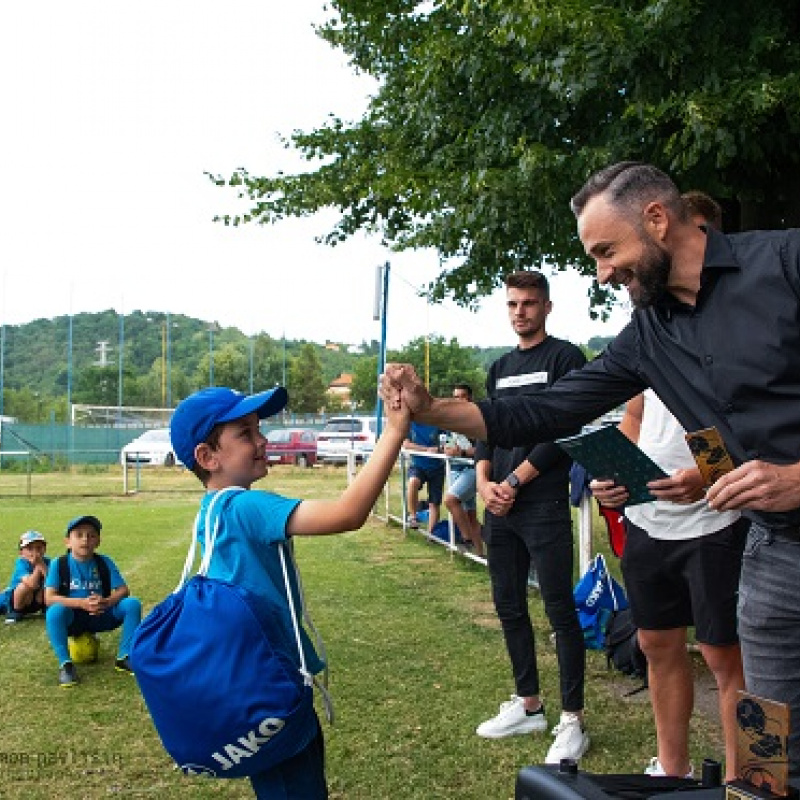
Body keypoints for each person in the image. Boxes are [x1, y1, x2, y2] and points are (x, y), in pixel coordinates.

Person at [380, 161, 800, 774]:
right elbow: (547, 410)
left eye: (607, 251)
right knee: (771, 743)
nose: (602, 273)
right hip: (775, 553)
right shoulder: (648, 336)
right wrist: (434, 408)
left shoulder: (785, 265)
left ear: (657, 219)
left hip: (749, 531)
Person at [168, 384, 409, 800]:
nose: (262, 440)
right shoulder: (245, 507)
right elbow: (348, 514)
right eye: (245, 433)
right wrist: (395, 430)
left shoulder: (212, 511)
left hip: (257, 689)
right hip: (274, 692)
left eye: (258, 429)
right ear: (209, 458)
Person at [591, 390, 746, 780]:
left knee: (725, 654)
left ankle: (741, 780)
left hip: (719, 516)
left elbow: (751, 427)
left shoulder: (727, 338)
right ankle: (672, 770)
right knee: (656, 645)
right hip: (648, 518)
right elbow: (635, 416)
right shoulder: (648, 339)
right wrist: (613, 471)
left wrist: (710, 474)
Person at [470, 270, 590, 764]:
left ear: (546, 307)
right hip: (498, 505)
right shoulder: (497, 368)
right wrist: (483, 483)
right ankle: (529, 705)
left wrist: (516, 480)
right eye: (513, 304)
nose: (520, 312)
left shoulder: (565, 358)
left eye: (529, 304)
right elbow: (486, 431)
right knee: (509, 607)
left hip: (540, 505)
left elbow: (565, 430)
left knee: (560, 611)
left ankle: (572, 720)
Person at [44, 515, 142, 687]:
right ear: (68, 541)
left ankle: (124, 657)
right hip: (73, 618)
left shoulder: (104, 562)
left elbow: (123, 590)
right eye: (79, 535)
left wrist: (107, 601)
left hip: (101, 614)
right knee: (54, 612)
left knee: (132, 604)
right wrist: (81, 603)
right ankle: (66, 665)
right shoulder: (58, 564)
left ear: (98, 541)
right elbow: (49, 597)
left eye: (91, 535)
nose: (85, 540)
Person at [442, 384, 483, 556]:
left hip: (473, 470)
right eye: (455, 396)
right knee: (470, 516)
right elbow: (449, 444)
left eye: (462, 396)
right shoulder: (451, 421)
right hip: (456, 469)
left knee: (451, 500)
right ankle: (481, 554)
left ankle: (466, 540)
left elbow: (483, 449)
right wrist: (448, 449)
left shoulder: (477, 420)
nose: (458, 400)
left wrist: (464, 452)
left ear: (470, 398)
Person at [403, 420, 446, 532]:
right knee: (413, 482)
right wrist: (426, 449)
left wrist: (440, 449)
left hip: (437, 467)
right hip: (417, 465)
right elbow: (406, 444)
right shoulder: (410, 424)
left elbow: (446, 443)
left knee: (434, 502)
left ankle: (431, 534)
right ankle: (413, 517)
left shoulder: (438, 423)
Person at [5, 530, 51, 624]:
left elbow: (52, 581)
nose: (35, 552)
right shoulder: (21, 563)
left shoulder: (48, 562)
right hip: (15, 600)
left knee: (49, 587)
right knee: (24, 587)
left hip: (36, 599)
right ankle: (16, 611)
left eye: (39, 548)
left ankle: (47, 608)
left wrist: (41, 565)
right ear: (21, 553)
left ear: (44, 549)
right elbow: (32, 584)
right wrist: (38, 567)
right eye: (30, 549)